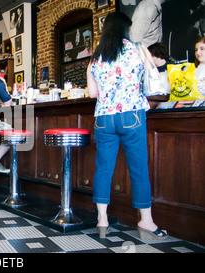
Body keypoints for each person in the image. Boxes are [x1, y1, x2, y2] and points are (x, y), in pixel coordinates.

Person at [86, 12, 168, 240]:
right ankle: (146, 220)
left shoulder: (95, 57)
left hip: (104, 117)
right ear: (125, 29)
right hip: (132, 114)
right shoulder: (138, 48)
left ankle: (102, 219)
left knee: (103, 168)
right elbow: (153, 76)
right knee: (139, 168)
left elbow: (93, 93)